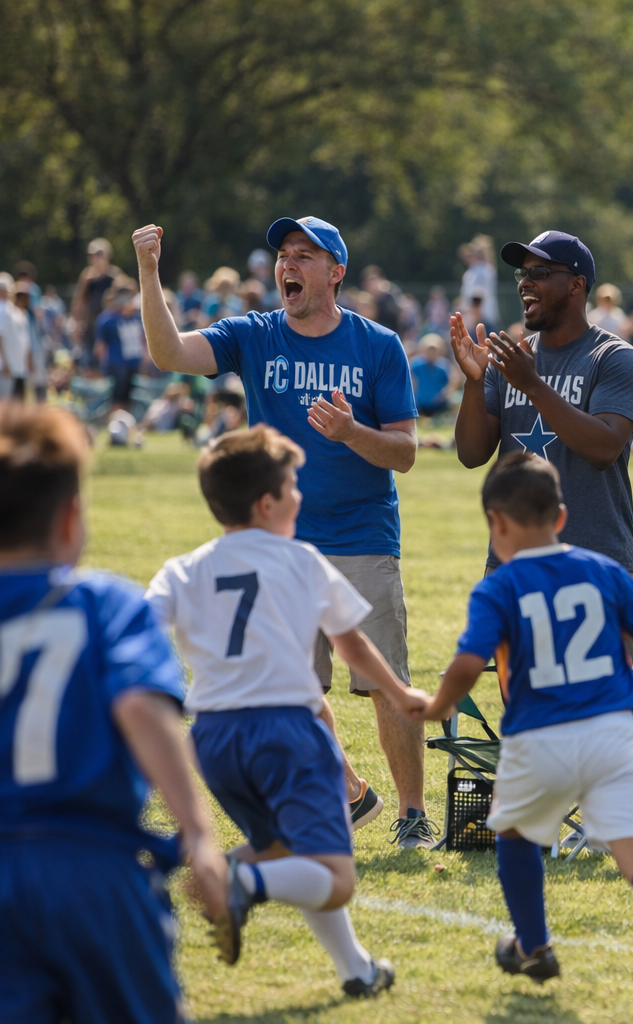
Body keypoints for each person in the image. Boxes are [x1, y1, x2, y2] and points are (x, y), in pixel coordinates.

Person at [132, 215, 431, 847]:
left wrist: (352, 434)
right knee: (287, 688)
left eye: (304, 255)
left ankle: (412, 814)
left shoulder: (377, 346)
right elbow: (168, 354)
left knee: (383, 682)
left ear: (336, 272)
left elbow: (404, 453)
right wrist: (150, 271)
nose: (287, 265)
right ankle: (350, 795)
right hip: (282, 544)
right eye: (283, 256)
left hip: (361, 535)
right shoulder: (255, 335)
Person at [409, 453, 633, 1023]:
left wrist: (438, 705)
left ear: (496, 523)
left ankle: (534, 946)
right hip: (614, 732)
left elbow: (469, 660)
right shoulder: (603, 571)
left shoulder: (497, 587)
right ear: (563, 515)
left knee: (516, 834)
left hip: (537, 737)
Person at [149, 426, 424, 993]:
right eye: (294, 485)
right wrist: (401, 695)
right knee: (336, 878)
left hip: (215, 741)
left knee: (287, 849)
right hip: (285, 733)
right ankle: (235, 882)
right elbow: (352, 647)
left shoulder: (185, 567)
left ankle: (357, 971)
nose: (301, 495)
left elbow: (141, 628)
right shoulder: (301, 560)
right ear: (268, 502)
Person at [0, 403, 232, 1019]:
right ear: (72, 517)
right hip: (93, 870)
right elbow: (138, 706)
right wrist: (200, 834)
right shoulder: (106, 604)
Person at [451, 230, 633, 576]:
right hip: (511, 557)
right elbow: (471, 454)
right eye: (522, 274)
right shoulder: (511, 359)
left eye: (539, 273)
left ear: (576, 285)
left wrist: (532, 385)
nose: (525, 283)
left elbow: (604, 449)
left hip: (595, 557)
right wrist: (475, 382)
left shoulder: (614, 357)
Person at [94, 283, 145, 418]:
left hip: (134, 363)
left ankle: (126, 423)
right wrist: (103, 366)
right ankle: (116, 422)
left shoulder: (137, 317)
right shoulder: (107, 318)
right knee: (117, 397)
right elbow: (100, 346)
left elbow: (143, 339)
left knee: (131, 396)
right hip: (116, 365)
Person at [70, 237, 122, 353]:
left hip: (110, 326)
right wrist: (76, 324)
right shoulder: (87, 277)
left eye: (99, 254)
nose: (96, 258)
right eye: (93, 254)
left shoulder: (115, 276)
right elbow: (79, 301)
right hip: (91, 326)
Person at [459, 235, 500, 330]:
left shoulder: (478, 271)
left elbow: (477, 295)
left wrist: (474, 317)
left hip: (479, 318)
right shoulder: (488, 269)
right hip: (486, 315)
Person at [0, 274, 29, 400]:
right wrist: (4, 362)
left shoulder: (10, 309)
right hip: (6, 365)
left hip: (12, 364)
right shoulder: (3, 309)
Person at [410, 333, 452, 417]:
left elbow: (449, 384)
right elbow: (412, 381)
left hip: (437, 403)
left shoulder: (443, 366)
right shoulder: (416, 365)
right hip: (419, 403)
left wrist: (442, 396)